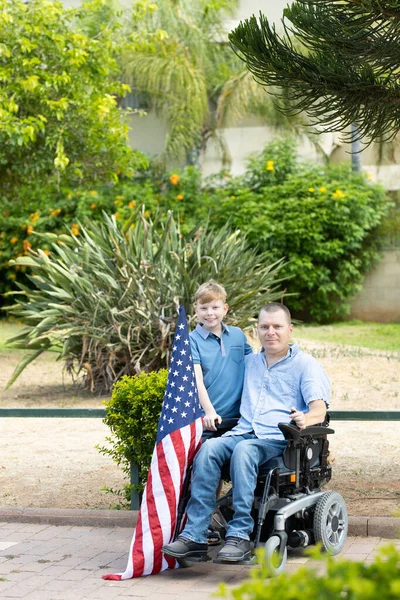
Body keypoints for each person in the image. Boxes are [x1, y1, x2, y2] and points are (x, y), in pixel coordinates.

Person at [162, 302, 330, 563]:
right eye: (265, 327)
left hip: (280, 442)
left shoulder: (306, 365)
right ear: (257, 330)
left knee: (244, 450)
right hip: (244, 432)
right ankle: (195, 535)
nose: (270, 332)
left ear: (290, 329)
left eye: (277, 326)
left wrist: (304, 419)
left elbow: (319, 410)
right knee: (209, 449)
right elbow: (213, 375)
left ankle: (240, 534)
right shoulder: (248, 362)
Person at [190, 280, 253, 438]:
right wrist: (210, 411)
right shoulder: (192, 340)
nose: (209, 313)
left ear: (225, 309)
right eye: (203, 308)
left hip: (240, 419)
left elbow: (254, 364)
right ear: (195, 310)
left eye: (215, 307)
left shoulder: (238, 334)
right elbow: (196, 379)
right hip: (209, 420)